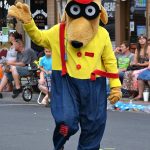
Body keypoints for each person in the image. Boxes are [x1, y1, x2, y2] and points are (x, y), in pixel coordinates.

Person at [8, 1, 122, 150]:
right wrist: (29, 22)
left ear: (99, 12)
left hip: (94, 84)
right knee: (66, 123)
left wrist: (115, 86)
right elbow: (39, 38)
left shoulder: (102, 34)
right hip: (66, 82)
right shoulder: (59, 31)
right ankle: (60, 143)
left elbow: (110, 61)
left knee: (94, 124)